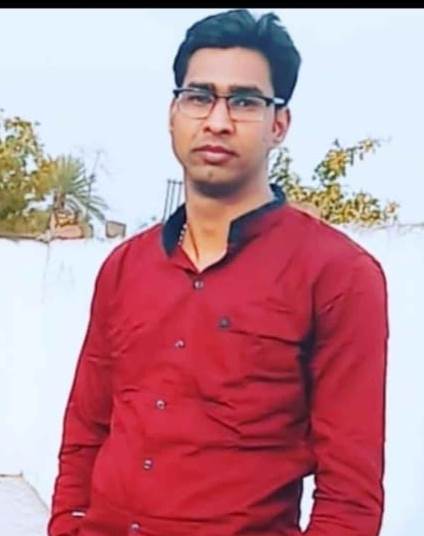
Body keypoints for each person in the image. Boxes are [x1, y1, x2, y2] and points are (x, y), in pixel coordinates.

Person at [48, 9, 388, 536]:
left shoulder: (338, 274)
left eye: (245, 101)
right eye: (199, 96)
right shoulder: (125, 267)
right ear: (173, 113)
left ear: (279, 124)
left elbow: (350, 495)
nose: (218, 120)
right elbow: (86, 431)